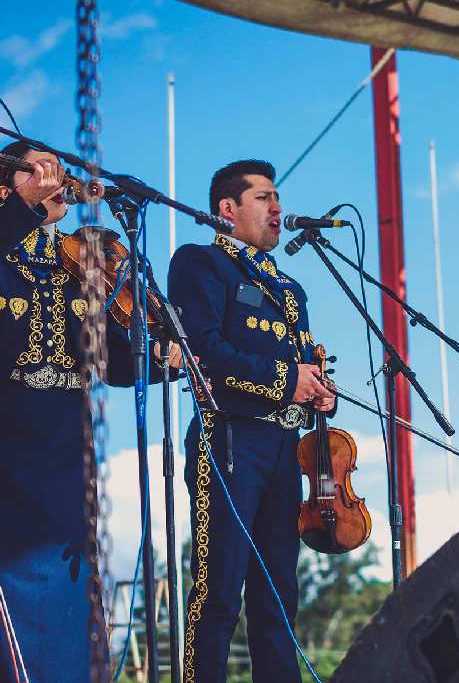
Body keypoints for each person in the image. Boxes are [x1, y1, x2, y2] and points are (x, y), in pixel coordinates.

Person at [0, 142, 182, 683]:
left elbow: (115, 365)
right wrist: (24, 209)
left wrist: (161, 356)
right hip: (8, 474)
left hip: (65, 479)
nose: (57, 179)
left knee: (72, 647)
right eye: (39, 170)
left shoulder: (76, 265)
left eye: (57, 170)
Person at [168, 159, 336, 683]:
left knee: (280, 592)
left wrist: (320, 393)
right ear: (228, 209)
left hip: (286, 443)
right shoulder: (200, 263)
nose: (278, 208)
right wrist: (289, 379)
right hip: (230, 437)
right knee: (218, 588)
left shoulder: (291, 289)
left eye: (277, 197)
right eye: (264, 198)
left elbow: (305, 362)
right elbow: (202, 350)